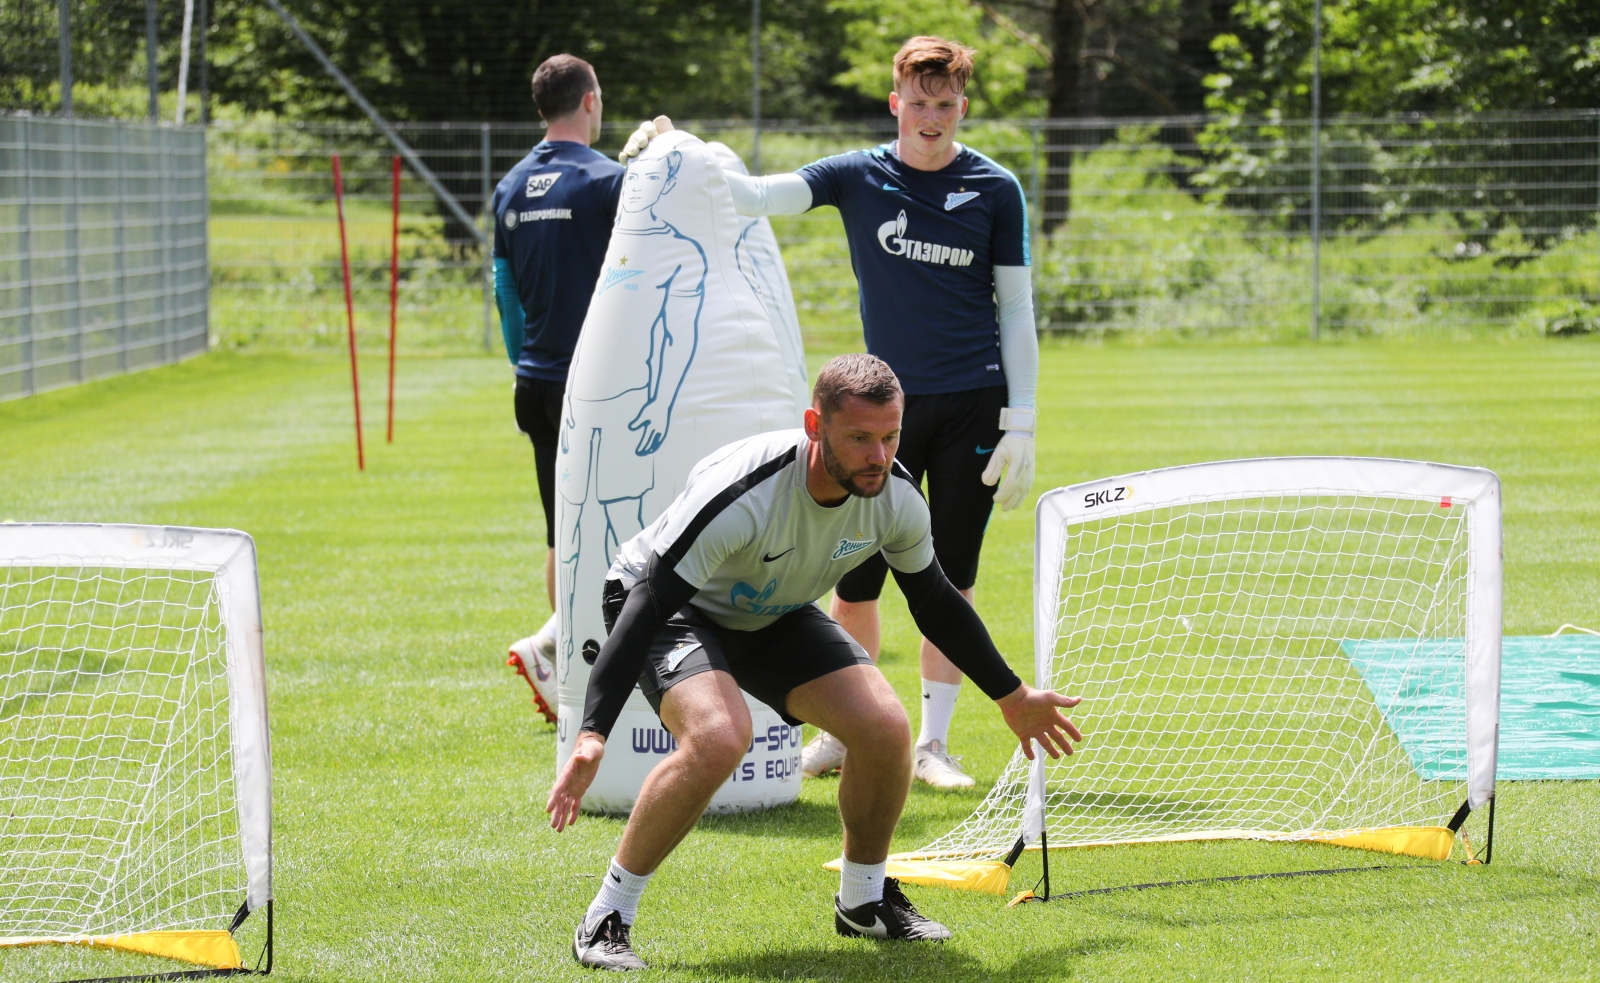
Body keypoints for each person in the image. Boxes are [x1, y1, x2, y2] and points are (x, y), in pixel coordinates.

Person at [546, 354, 1080, 971]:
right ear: (814, 425)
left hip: (771, 610)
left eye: (890, 436)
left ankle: (864, 901)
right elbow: (649, 601)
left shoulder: (897, 498)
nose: (878, 456)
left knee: (885, 729)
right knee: (720, 738)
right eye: (858, 438)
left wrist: (1012, 697)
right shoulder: (747, 491)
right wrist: (591, 734)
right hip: (670, 607)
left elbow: (934, 600)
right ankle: (608, 914)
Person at [617, 36, 1039, 788]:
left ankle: (934, 743)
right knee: (855, 581)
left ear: (962, 107)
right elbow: (754, 197)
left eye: (945, 105)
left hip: (974, 405)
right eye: (919, 103)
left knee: (951, 575)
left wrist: (1022, 420)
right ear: (895, 103)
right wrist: (683, 151)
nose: (932, 118)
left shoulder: (996, 188)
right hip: (879, 415)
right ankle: (848, 728)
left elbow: (1017, 308)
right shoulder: (859, 174)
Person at [495, 54, 624, 719]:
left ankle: (563, 663)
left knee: (562, 528)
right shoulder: (609, 182)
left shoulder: (511, 186)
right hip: (598, 382)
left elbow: (505, 292)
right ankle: (563, 656)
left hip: (536, 380)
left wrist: (528, 363)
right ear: (591, 101)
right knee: (621, 525)